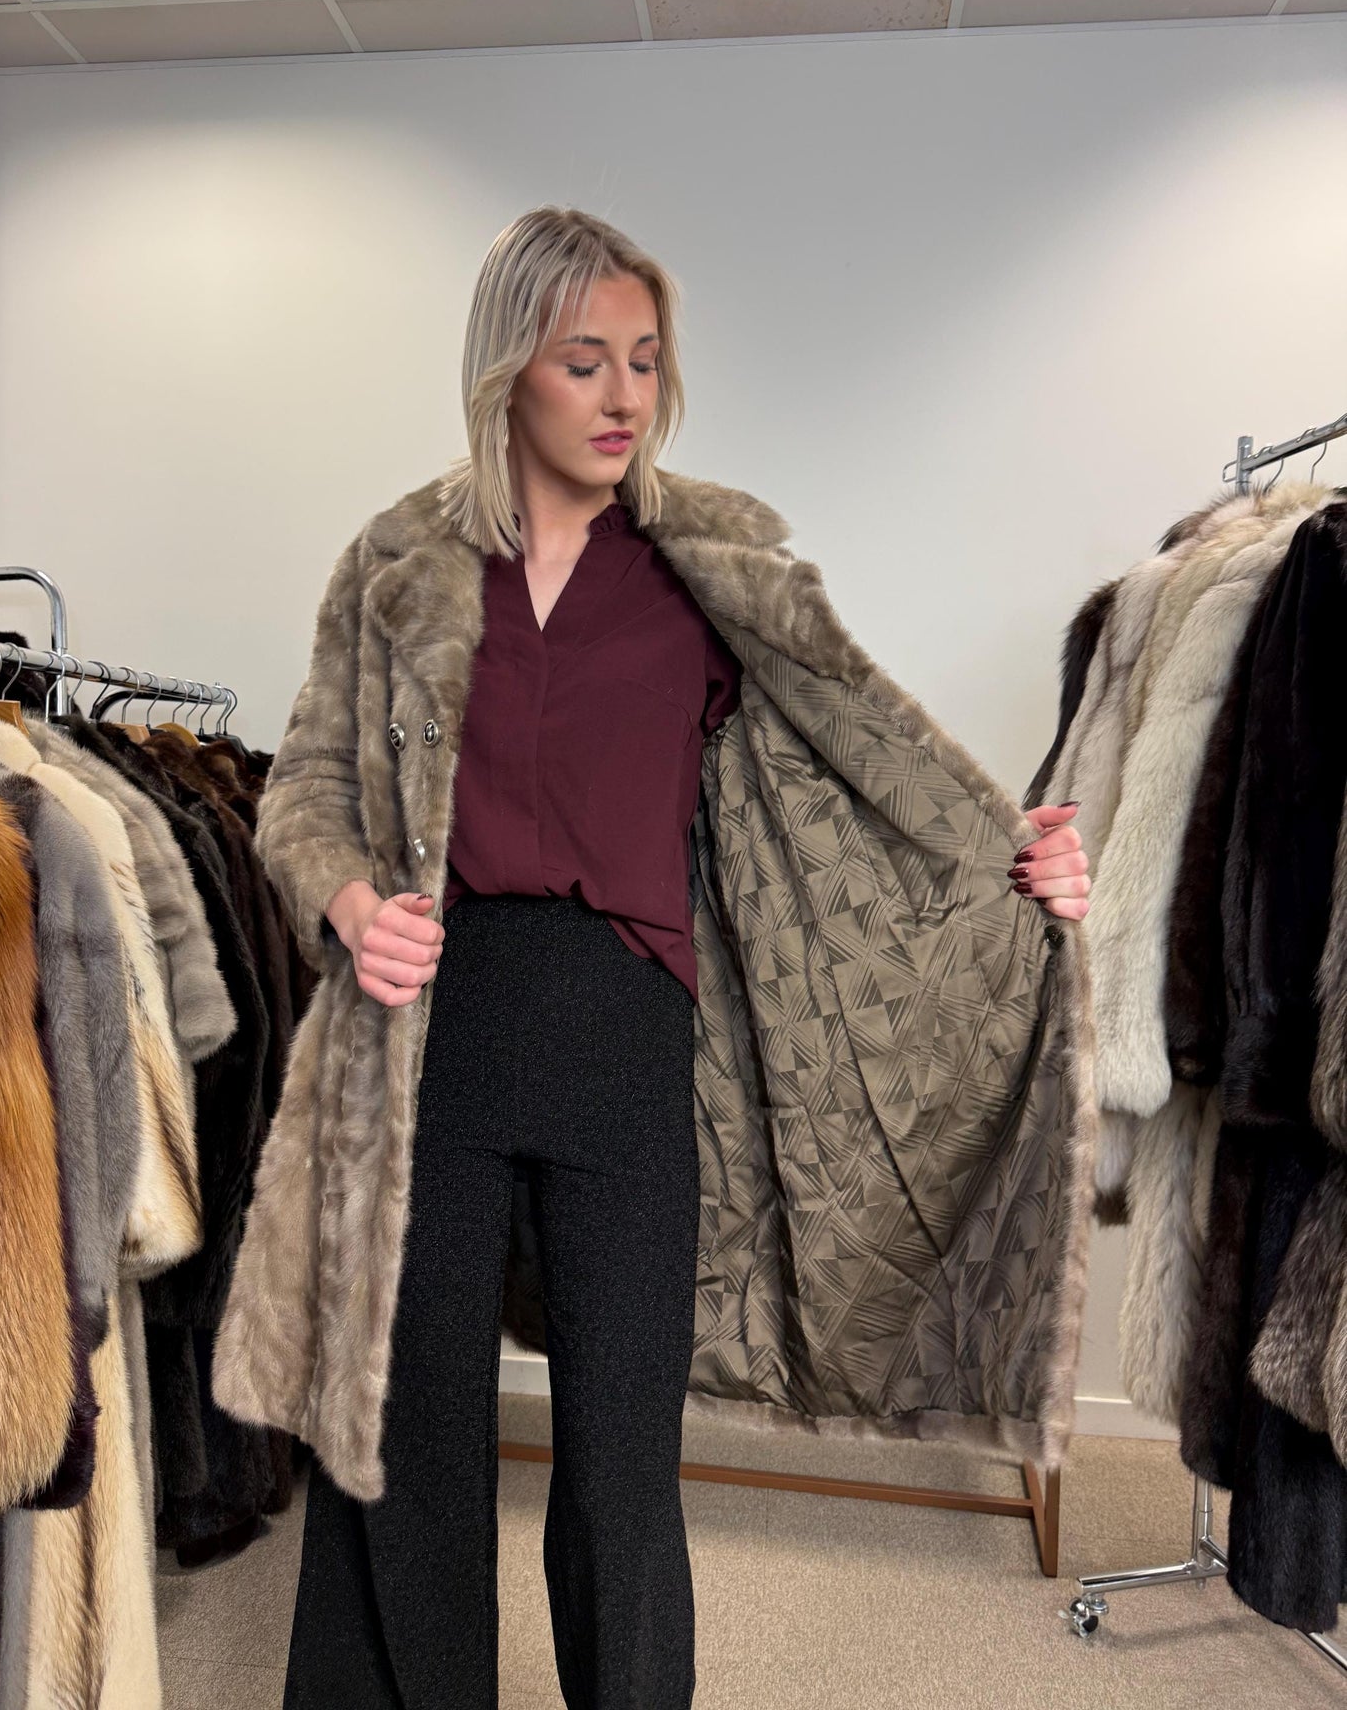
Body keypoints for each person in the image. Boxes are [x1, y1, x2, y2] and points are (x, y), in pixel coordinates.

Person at [233, 206, 1090, 1709]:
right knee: (414, 1437)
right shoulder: (399, 564)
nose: (625, 394)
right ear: (508, 370)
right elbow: (301, 788)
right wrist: (355, 904)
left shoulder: (709, 565)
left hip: (629, 1037)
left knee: (621, 1460)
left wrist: (1010, 848)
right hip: (434, 1029)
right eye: (586, 360)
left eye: (645, 359)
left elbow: (868, 748)